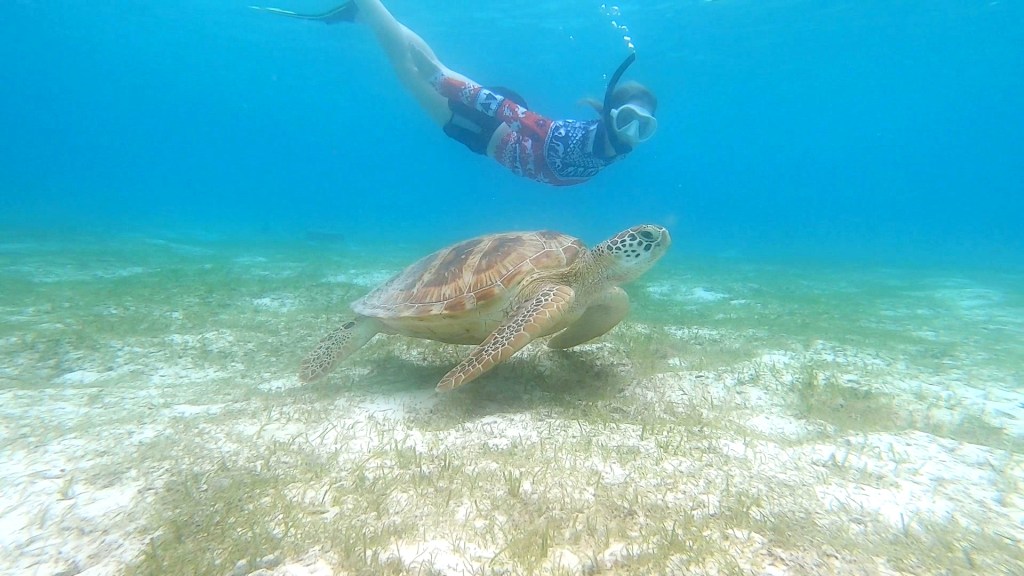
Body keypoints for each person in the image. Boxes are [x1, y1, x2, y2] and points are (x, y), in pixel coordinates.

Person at [251, 0, 658, 186]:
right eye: (627, 120)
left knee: (429, 66)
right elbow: (513, 114)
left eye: (644, 128)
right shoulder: (573, 139)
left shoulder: (614, 149)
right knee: (417, 73)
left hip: (491, 135)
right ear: (610, 114)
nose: (632, 134)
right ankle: (370, 8)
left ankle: (369, 15)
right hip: (483, 128)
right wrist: (449, 85)